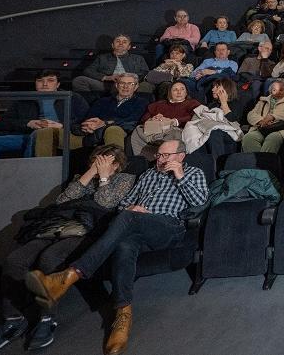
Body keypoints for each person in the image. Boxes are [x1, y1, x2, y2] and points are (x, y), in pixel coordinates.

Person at [25, 139, 208, 355]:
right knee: (124, 244)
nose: (160, 160)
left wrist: (179, 176)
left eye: (166, 155)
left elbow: (200, 202)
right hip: (136, 226)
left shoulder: (193, 173)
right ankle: (123, 316)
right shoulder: (148, 175)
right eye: (159, 155)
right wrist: (132, 207)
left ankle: (70, 275)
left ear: (181, 156)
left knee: (128, 219)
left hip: (168, 226)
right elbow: (123, 203)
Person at [0, 146, 134, 352]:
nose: (98, 164)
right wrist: (90, 173)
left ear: (116, 165)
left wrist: (104, 177)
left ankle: (46, 318)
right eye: (95, 160)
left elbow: (105, 203)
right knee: (15, 260)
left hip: (89, 230)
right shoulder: (83, 178)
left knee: (50, 258)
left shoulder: (125, 179)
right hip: (58, 226)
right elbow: (61, 201)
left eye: (104, 161)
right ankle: (13, 317)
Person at [0, 69, 88, 159]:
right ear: (35, 83)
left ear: (58, 84)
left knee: (42, 135)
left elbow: (86, 121)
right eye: (40, 81)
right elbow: (3, 123)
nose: (45, 84)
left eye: (50, 80)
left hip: (64, 134)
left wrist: (62, 125)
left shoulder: (73, 98)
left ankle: (33, 168)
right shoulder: (24, 100)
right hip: (29, 135)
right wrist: (28, 123)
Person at [129, 81, 200, 159]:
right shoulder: (158, 104)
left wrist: (174, 121)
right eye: (175, 90)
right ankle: (144, 158)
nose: (179, 92)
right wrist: (153, 119)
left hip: (176, 131)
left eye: (182, 89)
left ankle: (164, 156)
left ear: (186, 93)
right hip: (155, 131)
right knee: (138, 130)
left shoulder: (192, 103)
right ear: (169, 93)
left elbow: (196, 117)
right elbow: (144, 119)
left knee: (174, 133)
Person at [78, 75, 148, 150]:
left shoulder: (141, 102)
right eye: (122, 83)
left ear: (136, 86)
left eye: (130, 84)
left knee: (113, 130)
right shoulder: (102, 101)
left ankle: (113, 157)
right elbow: (90, 117)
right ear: (117, 85)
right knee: (69, 135)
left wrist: (105, 123)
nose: (125, 86)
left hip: (122, 131)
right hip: (94, 132)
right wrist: (89, 125)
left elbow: (132, 121)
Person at [72, 35, 149, 94]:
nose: (121, 43)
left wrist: (127, 79)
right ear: (112, 45)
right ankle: (92, 105)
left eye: (124, 42)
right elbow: (88, 71)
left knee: (146, 85)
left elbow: (145, 72)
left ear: (129, 47)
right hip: (106, 84)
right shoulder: (102, 58)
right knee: (79, 80)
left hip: (130, 84)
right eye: (118, 41)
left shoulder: (138, 58)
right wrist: (107, 77)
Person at [241, 79, 284, 153]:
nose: (277, 92)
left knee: (272, 138)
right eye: (274, 90)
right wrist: (261, 121)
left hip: (280, 129)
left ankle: (264, 160)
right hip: (262, 128)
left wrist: (273, 116)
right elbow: (251, 114)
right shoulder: (263, 100)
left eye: (281, 90)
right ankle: (256, 160)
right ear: (270, 91)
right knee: (248, 138)